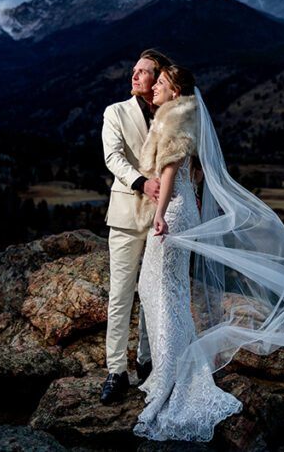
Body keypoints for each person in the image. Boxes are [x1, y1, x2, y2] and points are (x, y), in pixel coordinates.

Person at [132, 65, 284, 442]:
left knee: (163, 293)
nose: (154, 88)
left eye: (160, 83)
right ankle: (170, 369)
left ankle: (170, 375)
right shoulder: (180, 118)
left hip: (171, 213)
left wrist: (159, 216)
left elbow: (171, 171)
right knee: (167, 292)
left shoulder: (173, 123)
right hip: (181, 210)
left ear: (175, 92)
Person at [100, 49, 174, 405]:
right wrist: (142, 182)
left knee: (152, 292)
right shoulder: (115, 112)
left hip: (164, 216)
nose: (135, 75)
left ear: (157, 78)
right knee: (121, 293)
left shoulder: (170, 113)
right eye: (134, 70)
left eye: (144, 72)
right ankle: (116, 371)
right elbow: (112, 157)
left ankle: (146, 362)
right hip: (127, 213)